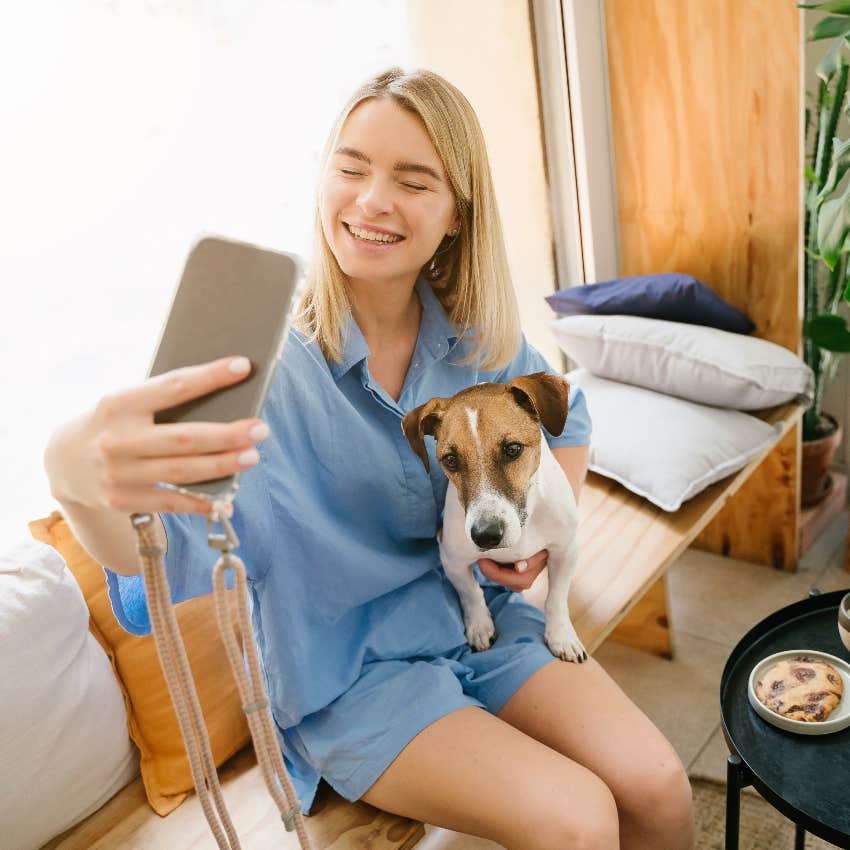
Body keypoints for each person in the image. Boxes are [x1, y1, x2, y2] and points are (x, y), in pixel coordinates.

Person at [44, 67, 695, 850]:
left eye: (413, 180)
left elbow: (569, 418)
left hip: (483, 622)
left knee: (659, 787)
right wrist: (75, 481)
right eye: (350, 169)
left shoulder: (476, 340)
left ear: (457, 216)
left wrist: (539, 538)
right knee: (580, 819)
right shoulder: (262, 376)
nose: (372, 199)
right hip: (351, 677)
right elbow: (154, 563)